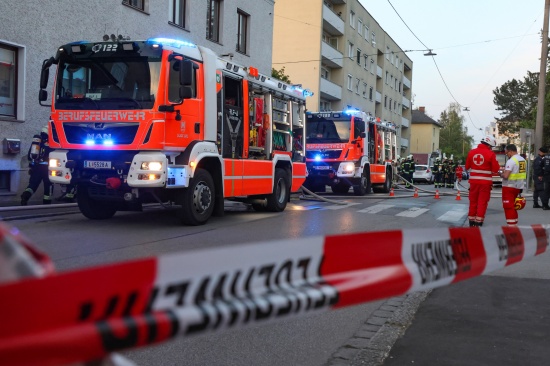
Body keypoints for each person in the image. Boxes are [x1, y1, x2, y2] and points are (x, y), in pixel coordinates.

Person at [465, 136, 501, 227]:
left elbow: (466, 167)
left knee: (473, 201)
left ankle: (471, 221)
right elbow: (496, 169)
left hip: (473, 182)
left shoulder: (471, 152)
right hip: (485, 183)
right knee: (482, 202)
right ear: (489, 145)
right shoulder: (490, 154)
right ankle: (479, 222)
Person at [21, 126, 53, 205]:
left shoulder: (36, 143)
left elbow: (29, 156)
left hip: (36, 167)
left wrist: (32, 166)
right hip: (47, 168)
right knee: (48, 185)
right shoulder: (51, 143)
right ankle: (47, 202)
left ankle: (25, 196)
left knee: (32, 185)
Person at [500, 144, 527, 225]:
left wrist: (500, 173)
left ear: (510, 151)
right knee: (514, 206)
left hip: (509, 187)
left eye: (507, 153)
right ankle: (514, 223)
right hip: (518, 187)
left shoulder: (511, 161)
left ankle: (511, 227)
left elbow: (506, 176)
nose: (507, 154)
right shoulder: (523, 160)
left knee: (508, 207)